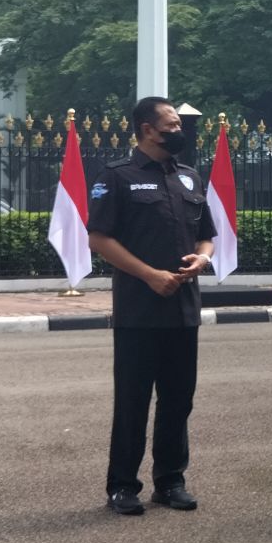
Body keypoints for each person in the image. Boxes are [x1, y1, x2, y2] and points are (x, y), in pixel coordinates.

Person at [87, 96, 217, 516]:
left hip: (183, 310)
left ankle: (170, 481)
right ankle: (123, 486)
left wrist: (204, 257)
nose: (180, 130)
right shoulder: (117, 177)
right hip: (139, 312)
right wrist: (149, 274)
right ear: (147, 128)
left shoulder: (189, 178)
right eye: (173, 124)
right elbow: (100, 239)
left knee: (179, 399)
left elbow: (207, 235)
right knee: (133, 400)